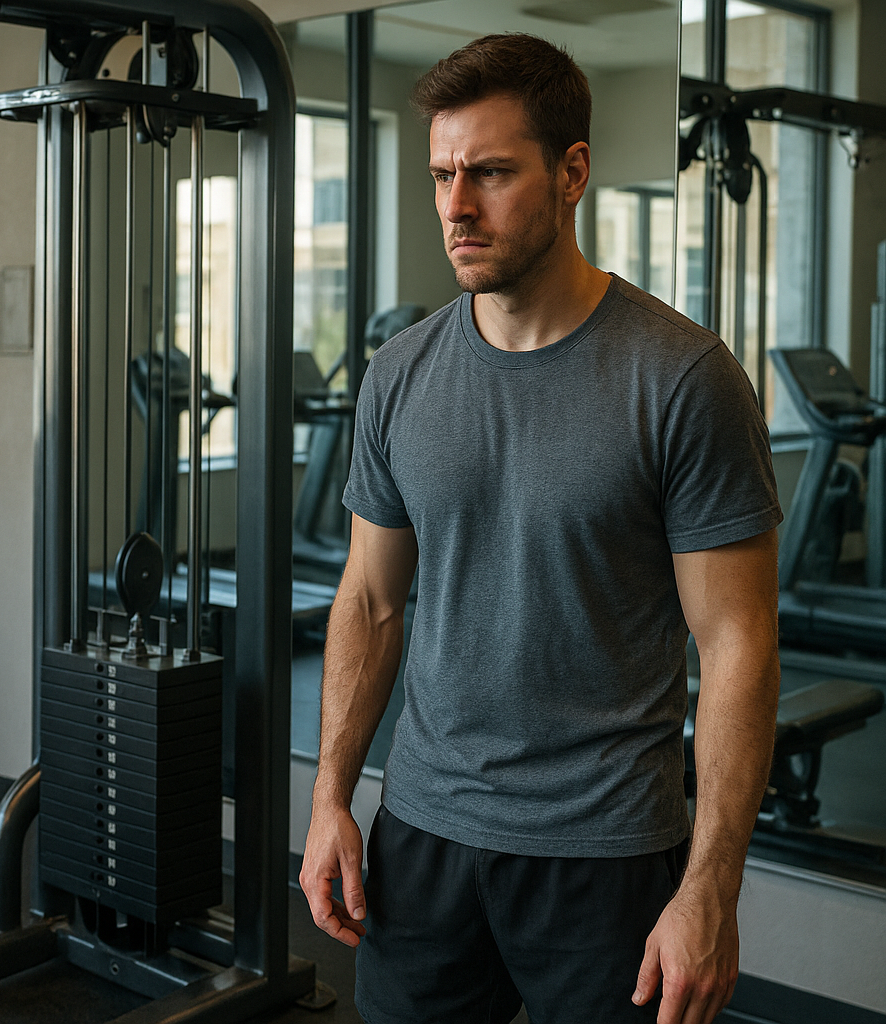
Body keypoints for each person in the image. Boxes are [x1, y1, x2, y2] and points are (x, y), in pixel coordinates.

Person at [299, 34, 781, 1024]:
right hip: (424, 837)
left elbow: (736, 641)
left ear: (573, 173)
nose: (456, 205)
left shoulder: (683, 380)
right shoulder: (399, 375)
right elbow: (372, 599)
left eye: (490, 172)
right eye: (442, 174)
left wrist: (711, 886)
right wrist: (331, 797)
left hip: (603, 854)